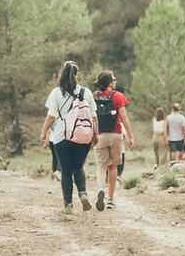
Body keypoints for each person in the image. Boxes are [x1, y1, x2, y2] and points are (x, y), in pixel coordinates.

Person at [40, 60, 98, 214]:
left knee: (66, 170)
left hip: (61, 136)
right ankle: (83, 194)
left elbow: (51, 116)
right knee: (78, 166)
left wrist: (44, 132)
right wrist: (95, 134)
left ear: (62, 74)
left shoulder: (56, 92)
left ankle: (68, 206)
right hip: (84, 136)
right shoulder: (86, 92)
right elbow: (93, 116)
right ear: (77, 74)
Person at [93, 70, 134, 211]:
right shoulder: (117, 96)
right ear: (110, 82)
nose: (115, 81)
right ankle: (110, 199)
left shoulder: (94, 96)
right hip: (115, 134)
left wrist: (92, 134)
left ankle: (100, 189)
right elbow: (124, 117)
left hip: (100, 135)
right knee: (113, 167)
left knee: (101, 165)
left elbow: (91, 117)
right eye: (114, 79)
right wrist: (130, 136)